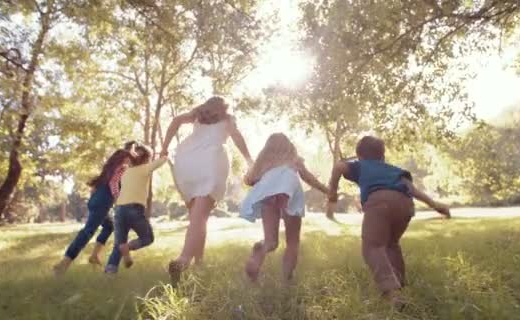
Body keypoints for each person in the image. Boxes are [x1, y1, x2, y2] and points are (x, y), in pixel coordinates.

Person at [327, 136, 450, 306]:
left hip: (379, 202)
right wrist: (436, 205)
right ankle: (399, 284)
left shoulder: (361, 165)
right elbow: (413, 190)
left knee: (373, 246)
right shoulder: (394, 170)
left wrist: (332, 191)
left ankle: (392, 294)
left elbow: (339, 166)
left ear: (359, 155)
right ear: (383, 156)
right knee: (391, 244)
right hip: (405, 204)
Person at [160, 96, 253, 284]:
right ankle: (183, 260)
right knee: (198, 217)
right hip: (210, 162)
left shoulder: (197, 115)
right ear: (224, 107)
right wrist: (249, 159)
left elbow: (176, 121)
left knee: (198, 217)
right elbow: (236, 136)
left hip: (187, 161)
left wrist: (164, 148)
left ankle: (199, 264)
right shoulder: (227, 119)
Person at [241, 133, 329, 283]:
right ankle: (286, 280)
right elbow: (307, 177)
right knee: (292, 242)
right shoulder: (293, 159)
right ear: (289, 147)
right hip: (288, 192)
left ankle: (260, 252)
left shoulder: (264, 162)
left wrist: (259, 176)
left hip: (268, 195)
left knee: (271, 242)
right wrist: (326, 190)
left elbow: (250, 180)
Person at [53, 142, 136, 276]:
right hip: (103, 201)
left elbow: (99, 186)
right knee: (88, 232)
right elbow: (114, 183)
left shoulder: (109, 168)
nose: (131, 160)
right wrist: (118, 199)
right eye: (130, 158)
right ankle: (63, 264)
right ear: (124, 158)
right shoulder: (122, 167)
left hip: (96, 199)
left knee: (109, 226)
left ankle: (94, 256)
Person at [104, 144, 167, 274]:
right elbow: (162, 160)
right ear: (146, 159)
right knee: (147, 238)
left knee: (119, 243)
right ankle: (127, 247)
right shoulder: (145, 168)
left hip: (119, 209)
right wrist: (165, 153)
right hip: (134, 209)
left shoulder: (125, 172)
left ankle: (110, 272)